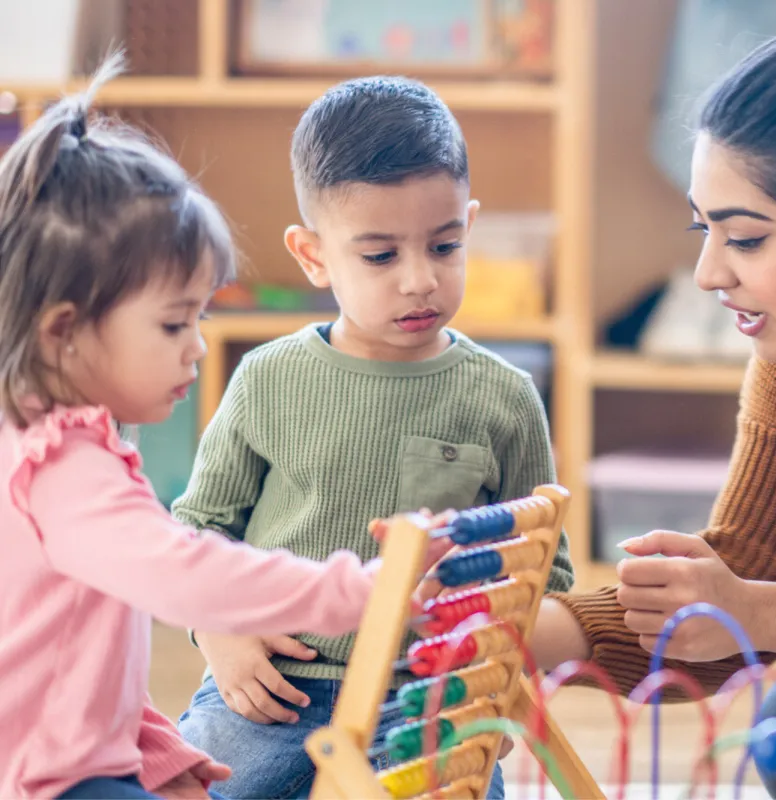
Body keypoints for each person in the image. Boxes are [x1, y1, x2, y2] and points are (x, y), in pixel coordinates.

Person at [0, 56, 450, 800]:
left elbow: (69, 651)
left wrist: (152, 747)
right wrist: (360, 592)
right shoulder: (63, 467)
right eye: (175, 322)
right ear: (64, 333)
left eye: (199, 316)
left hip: (68, 760)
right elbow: (184, 574)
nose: (198, 345)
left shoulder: (46, 442)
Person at [173, 74, 575, 799]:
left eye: (444, 246)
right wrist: (219, 635)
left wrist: (479, 652)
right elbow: (194, 531)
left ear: (469, 226)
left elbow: (550, 575)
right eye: (381, 256)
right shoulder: (266, 379)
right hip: (274, 692)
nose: (420, 280)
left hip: (426, 707)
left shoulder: (506, 399)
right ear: (313, 254)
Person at [525, 27, 776, 798]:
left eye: (744, 236)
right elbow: (728, 608)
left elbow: (753, 608)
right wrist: (525, 630)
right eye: (702, 229)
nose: (708, 272)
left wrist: (762, 613)